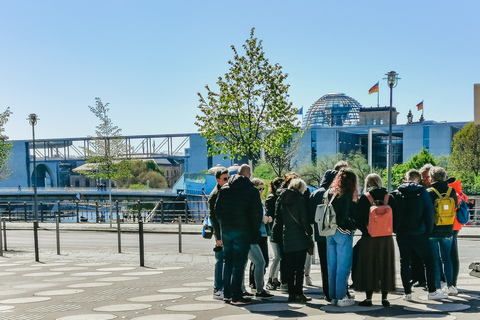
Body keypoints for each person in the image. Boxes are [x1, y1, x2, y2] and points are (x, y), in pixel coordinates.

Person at [392, 169, 446, 300]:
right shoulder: (422, 193)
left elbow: (393, 215)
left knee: (405, 262)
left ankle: (407, 293)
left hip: (402, 233)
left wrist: (396, 229)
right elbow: (429, 213)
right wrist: (428, 230)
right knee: (428, 261)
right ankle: (432, 291)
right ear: (419, 179)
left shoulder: (396, 193)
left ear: (406, 178)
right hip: (420, 232)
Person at [214, 164, 263, 305]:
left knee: (228, 262)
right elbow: (256, 214)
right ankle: (237, 295)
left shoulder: (224, 189)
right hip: (243, 231)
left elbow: (217, 210)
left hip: (227, 230)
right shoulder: (251, 191)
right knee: (239, 264)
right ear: (249, 175)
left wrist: (224, 224)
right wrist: (254, 233)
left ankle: (227, 294)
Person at [354, 173, 399, 307]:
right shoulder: (389, 198)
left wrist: (366, 231)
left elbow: (358, 219)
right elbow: (398, 219)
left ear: (367, 184)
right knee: (386, 266)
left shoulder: (364, 199)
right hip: (386, 239)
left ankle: (368, 299)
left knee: (369, 266)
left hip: (369, 239)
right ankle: (385, 298)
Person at [273, 178, 313, 302]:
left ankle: (291, 293)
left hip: (287, 234)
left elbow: (277, 216)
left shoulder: (281, 198)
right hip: (299, 235)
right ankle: (299, 293)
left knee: (289, 266)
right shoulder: (300, 199)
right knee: (299, 267)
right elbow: (304, 219)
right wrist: (309, 232)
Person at [325, 168, 357, 307]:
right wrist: (352, 227)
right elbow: (345, 215)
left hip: (329, 230)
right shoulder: (347, 193)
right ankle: (341, 296)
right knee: (343, 266)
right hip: (342, 231)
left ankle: (333, 297)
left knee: (332, 265)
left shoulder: (330, 192)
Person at [427, 166, 458, 296]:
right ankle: (450, 285)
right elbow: (455, 205)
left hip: (433, 231)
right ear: (445, 177)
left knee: (434, 259)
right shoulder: (451, 191)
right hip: (448, 229)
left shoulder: (429, 192)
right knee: (447, 258)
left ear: (431, 178)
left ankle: (437, 287)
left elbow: (427, 211)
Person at [308, 169, 338, 301]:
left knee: (324, 265)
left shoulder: (315, 194)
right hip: (334, 232)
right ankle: (338, 290)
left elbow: (310, 216)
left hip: (320, 233)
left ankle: (327, 292)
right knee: (337, 263)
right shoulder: (335, 192)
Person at [246, 178, 274, 299]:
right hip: (256, 234)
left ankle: (257, 286)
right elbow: (255, 216)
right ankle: (257, 287)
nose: (261, 191)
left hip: (261, 233)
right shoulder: (252, 200)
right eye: (259, 188)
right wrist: (265, 219)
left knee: (260, 261)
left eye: (262, 188)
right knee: (261, 261)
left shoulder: (258, 200)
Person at [208, 168, 229, 300]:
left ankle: (223, 287)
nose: (227, 181)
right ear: (218, 180)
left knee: (224, 260)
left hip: (226, 230)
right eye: (225, 179)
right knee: (220, 260)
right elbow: (213, 218)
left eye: (228, 178)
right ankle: (217, 288)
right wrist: (218, 238)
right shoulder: (215, 195)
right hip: (221, 232)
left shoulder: (224, 191)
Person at [265, 177, 284, 290]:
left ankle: (274, 278)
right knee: (277, 255)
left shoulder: (275, 197)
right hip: (274, 231)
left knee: (279, 256)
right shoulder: (272, 198)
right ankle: (271, 279)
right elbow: (271, 216)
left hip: (274, 230)